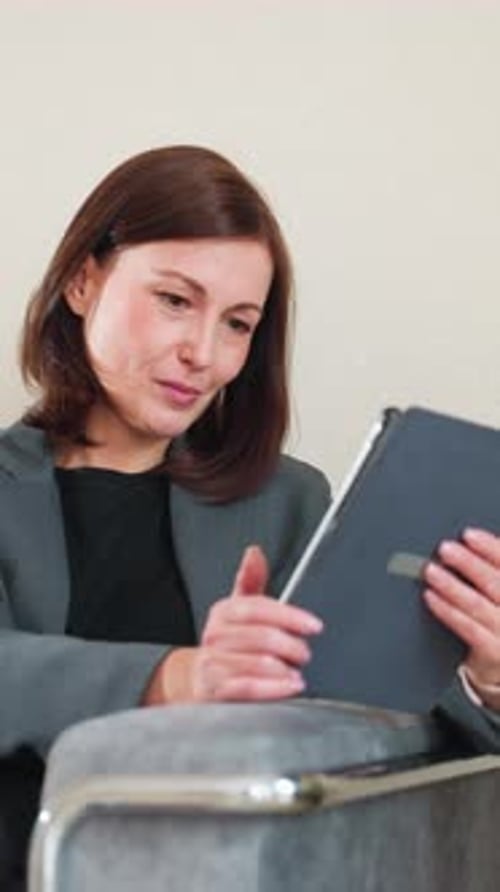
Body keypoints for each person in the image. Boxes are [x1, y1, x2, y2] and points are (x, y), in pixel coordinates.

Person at [0, 145, 331, 889]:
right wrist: (177, 678)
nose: (203, 354)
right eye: (176, 300)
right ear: (84, 281)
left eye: (239, 324)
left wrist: (487, 677)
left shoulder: (291, 504)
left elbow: (380, 727)